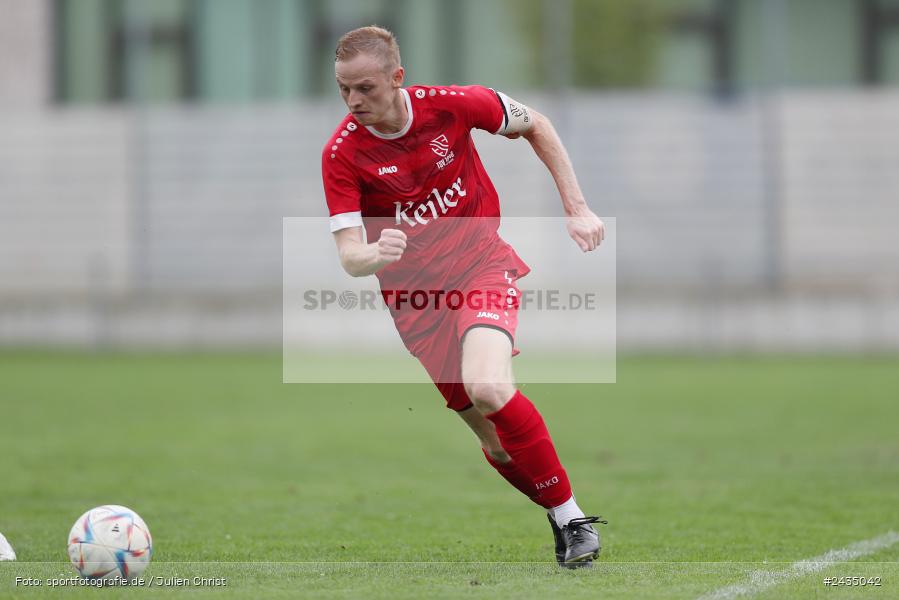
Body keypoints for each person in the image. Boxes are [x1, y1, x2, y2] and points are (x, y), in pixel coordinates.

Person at [320, 25, 606, 568]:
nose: (354, 101)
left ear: (397, 78)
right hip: (417, 307)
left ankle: (574, 520)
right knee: (497, 444)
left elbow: (536, 124)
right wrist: (376, 253)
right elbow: (350, 256)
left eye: (366, 88)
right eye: (344, 90)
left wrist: (577, 206)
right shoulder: (342, 155)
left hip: (480, 266)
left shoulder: (454, 105)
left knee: (490, 386)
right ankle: (556, 510)